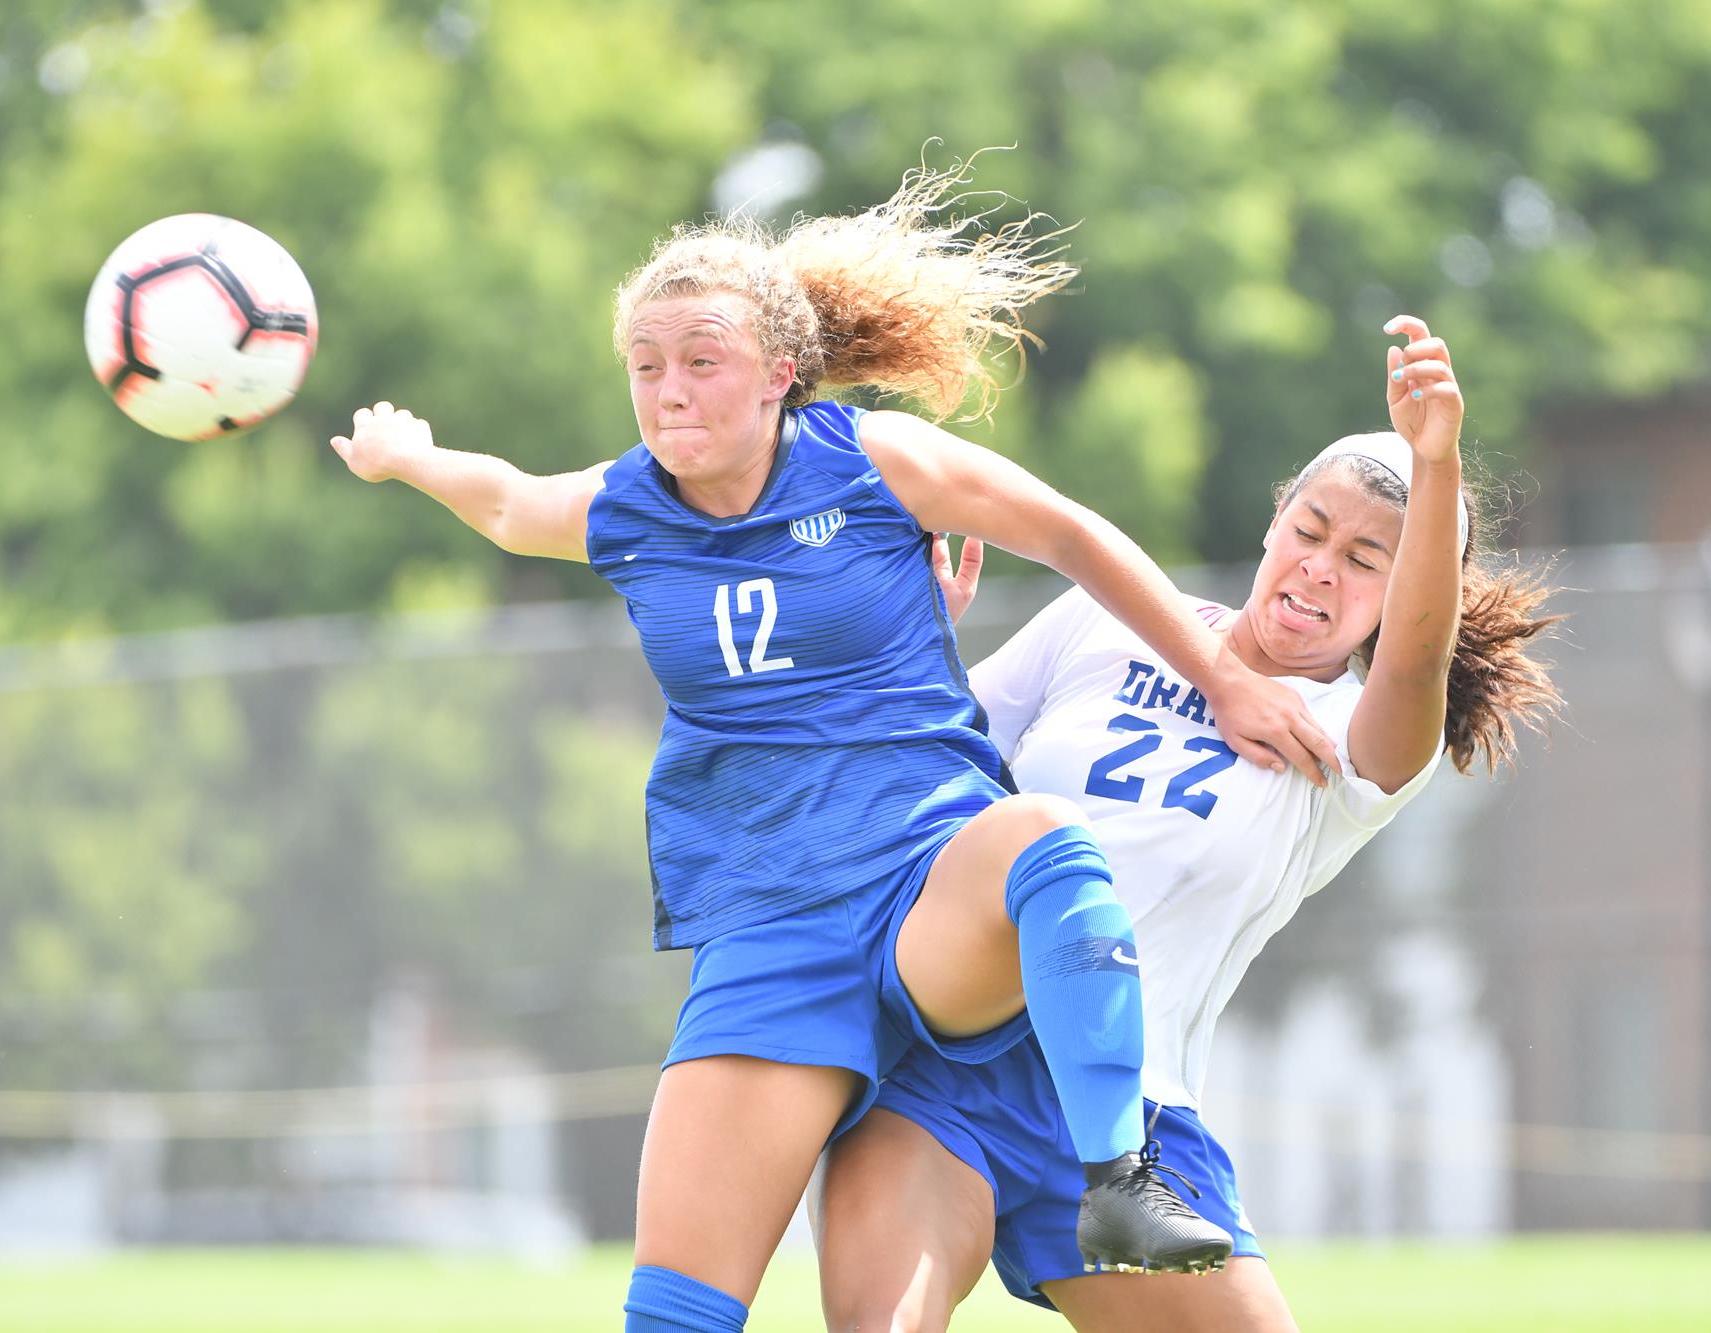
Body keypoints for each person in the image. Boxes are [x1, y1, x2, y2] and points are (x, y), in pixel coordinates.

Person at [328, 161, 1349, 1332]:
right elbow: (508, 502)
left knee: (1048, 848)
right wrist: (407, 458)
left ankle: (1116, 1181)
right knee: (672, 1316)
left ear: (775, 375)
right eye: (645, 366)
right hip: (770, 925)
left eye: (699, 361)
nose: (668, 392)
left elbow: (1067, 531)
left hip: (922, 887)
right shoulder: (626, 507)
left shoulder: (871, 462)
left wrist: (1216, 672)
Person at [814, 317, 1564, 1332]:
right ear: (1270, 524)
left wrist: (1435, 466)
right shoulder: (1107, 620)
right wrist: (912, 650)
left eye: (1364, 560)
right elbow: (918, 771)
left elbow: (1421, 659)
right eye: (1308, 530)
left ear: (1400, 598)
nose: (1318, 568)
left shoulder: (1354, 733)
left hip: (1135, 1122)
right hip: (950, 1066)